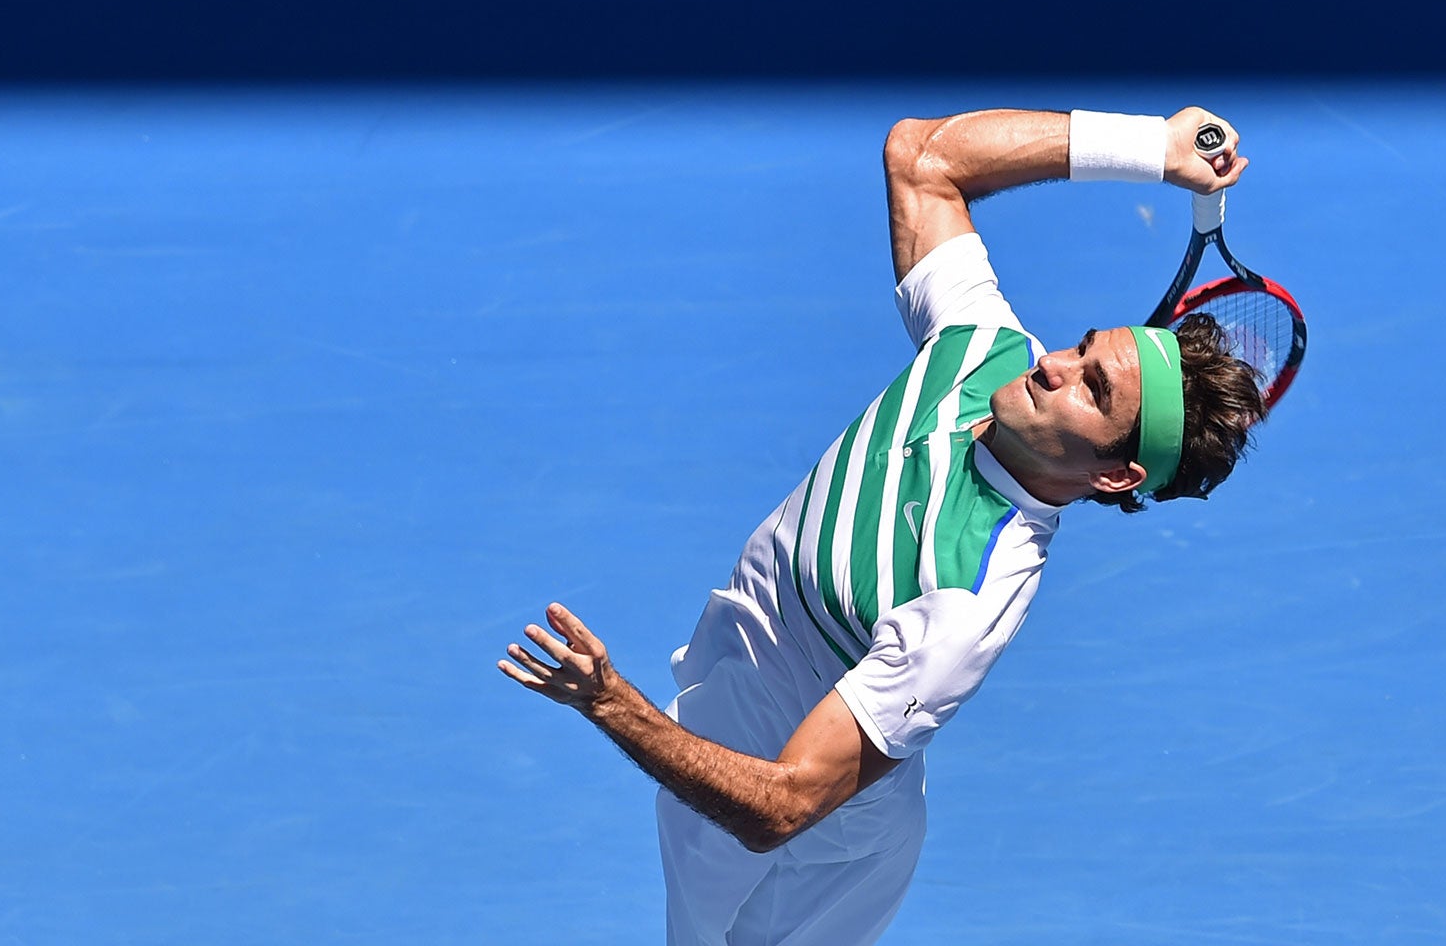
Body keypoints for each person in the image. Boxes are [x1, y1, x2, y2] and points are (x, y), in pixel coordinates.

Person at [498, 106, 1270, 945]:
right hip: (719, 725)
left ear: (1115, 474)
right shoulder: (982, 348)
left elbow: (781, 806)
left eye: (1092, 388)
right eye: (1084, 348)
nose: (1053, 365)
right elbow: (923, 155)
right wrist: (1150, 149)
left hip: (819, 847)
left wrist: (612, 704)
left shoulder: (966, 598)